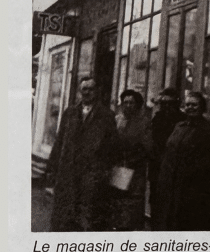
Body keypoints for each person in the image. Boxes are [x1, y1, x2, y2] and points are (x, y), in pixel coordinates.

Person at [46, 77, 119, 232]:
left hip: (91, 175)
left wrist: (102, 171)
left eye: (90, 89)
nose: (86, 92)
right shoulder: (70, 113)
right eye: (83, 89)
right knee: (64, 216)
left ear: (97, 91)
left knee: (87, 217)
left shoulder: (106, 116)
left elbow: (112, 148)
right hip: (68, 173)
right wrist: (52, 168)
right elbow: (59, 142)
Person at [153, 91, 210, 231]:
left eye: (194, 105)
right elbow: (169, 151)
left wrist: (189, 173)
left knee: (186, 223)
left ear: (202, 107)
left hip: (192, 188)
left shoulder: (208, 130)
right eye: (188, 104)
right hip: (170, 185)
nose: (191, 107)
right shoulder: (179, 126)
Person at [108, 89, 152, 231]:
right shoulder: (117, 120)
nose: (127, 105)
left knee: (132, 203)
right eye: (125, 102)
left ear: (137, 105)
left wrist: (133, 158)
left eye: (131, 103)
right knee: (117, 199)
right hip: (119, 167)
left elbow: (147, 146)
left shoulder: (143, 123)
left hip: (134, 169)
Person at [148, 88, 185, 226]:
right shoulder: (157, 118)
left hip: (174, 170)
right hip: (157, 168)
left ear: (177, 104)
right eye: (164, 104)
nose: (167, 107)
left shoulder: (182, 120)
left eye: (171, 104)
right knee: (156, 202)